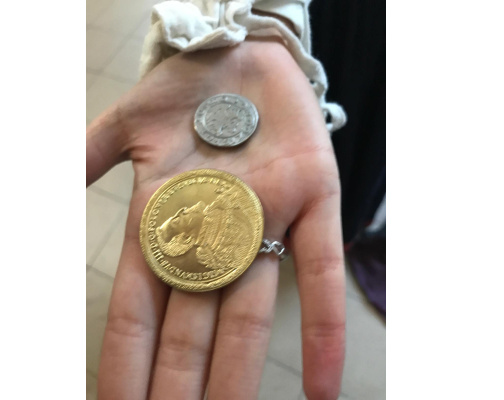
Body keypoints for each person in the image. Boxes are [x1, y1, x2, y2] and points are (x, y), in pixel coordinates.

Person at [86, 4, 348, 400]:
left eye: (187, 211)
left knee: (344, 189)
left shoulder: (214, 226)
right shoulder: (206, 234)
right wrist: (264, 17)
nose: (184, 211)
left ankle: (351, 233)